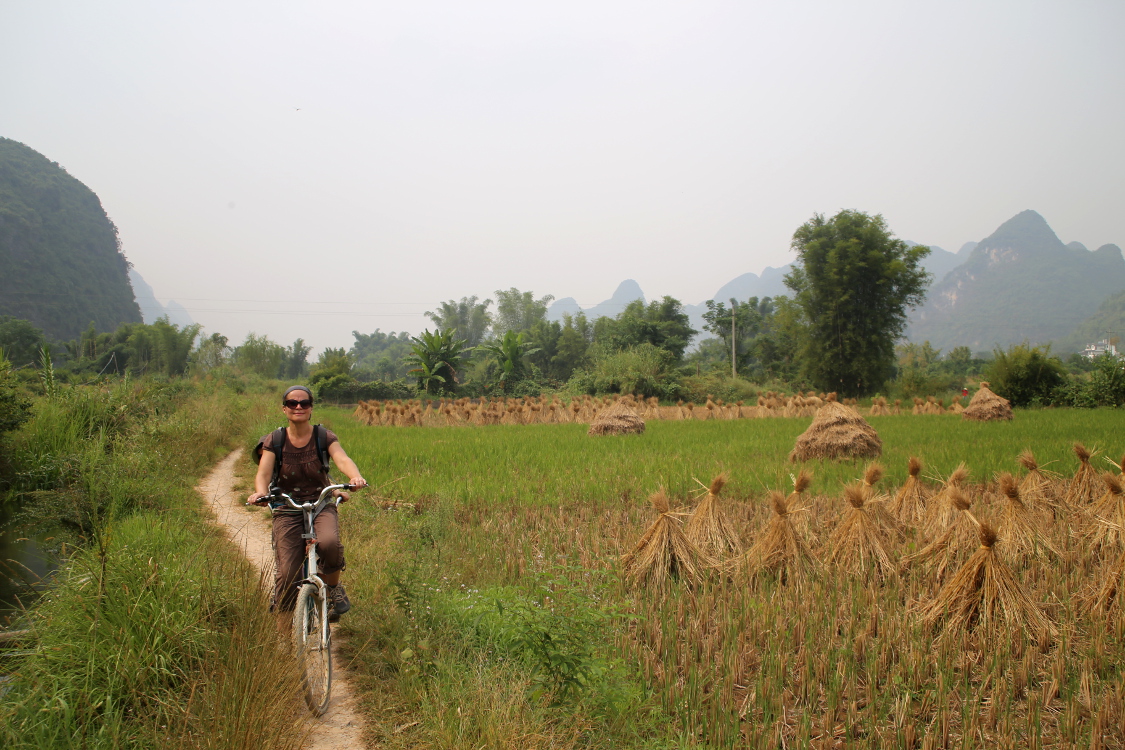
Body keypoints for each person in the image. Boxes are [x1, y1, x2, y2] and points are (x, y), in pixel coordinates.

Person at [247, 385, 367, 619]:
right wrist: (260, 493)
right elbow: (263, 473)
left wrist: (355, 477)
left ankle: (333, 588)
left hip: (320, 502)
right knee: (287, 572)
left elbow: (342, 458)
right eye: (293, 403)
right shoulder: (276, 439)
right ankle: (285, 640)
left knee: (330, 543)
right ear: (285, 409)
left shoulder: (323, 436)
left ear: (311, 408)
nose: (299, 407)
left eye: (304, 403)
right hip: (286, 506)